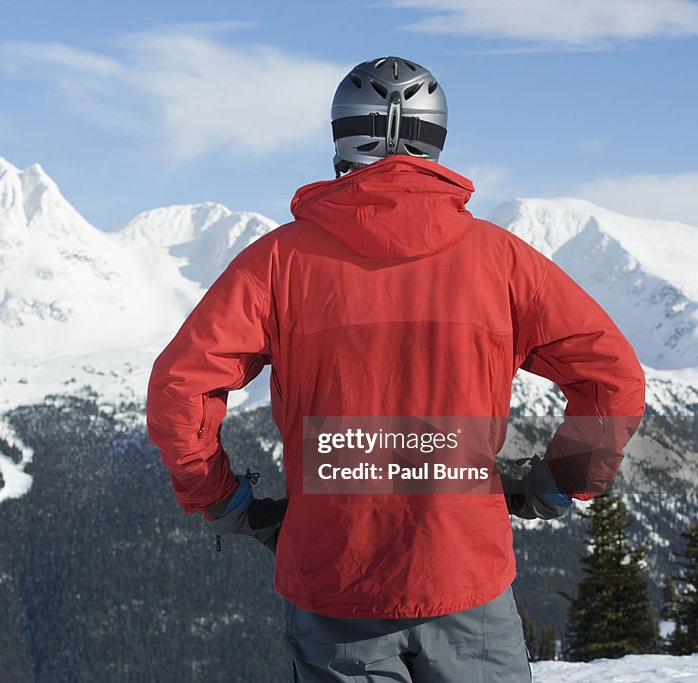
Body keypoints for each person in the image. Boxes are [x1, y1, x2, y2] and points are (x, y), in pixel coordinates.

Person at [146, 56, 645, 682]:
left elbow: (180, 389)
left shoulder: (277, 262)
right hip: (466, 575)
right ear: (435, 143)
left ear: (341, 137)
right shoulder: (500, 260)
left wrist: (221, 499)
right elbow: (613, 376)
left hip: (335, 580)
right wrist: (560, 479)